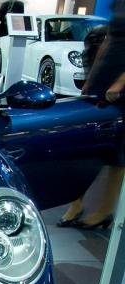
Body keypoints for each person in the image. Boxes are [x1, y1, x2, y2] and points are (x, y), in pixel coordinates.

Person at [58, 0, 125, 229]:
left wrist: (120, 83)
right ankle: (75, 203)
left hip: (121, 85)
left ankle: (105, 211)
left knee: (118, 153)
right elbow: (107, 41)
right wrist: (92, 77)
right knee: (84, 141)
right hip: (105, 78)